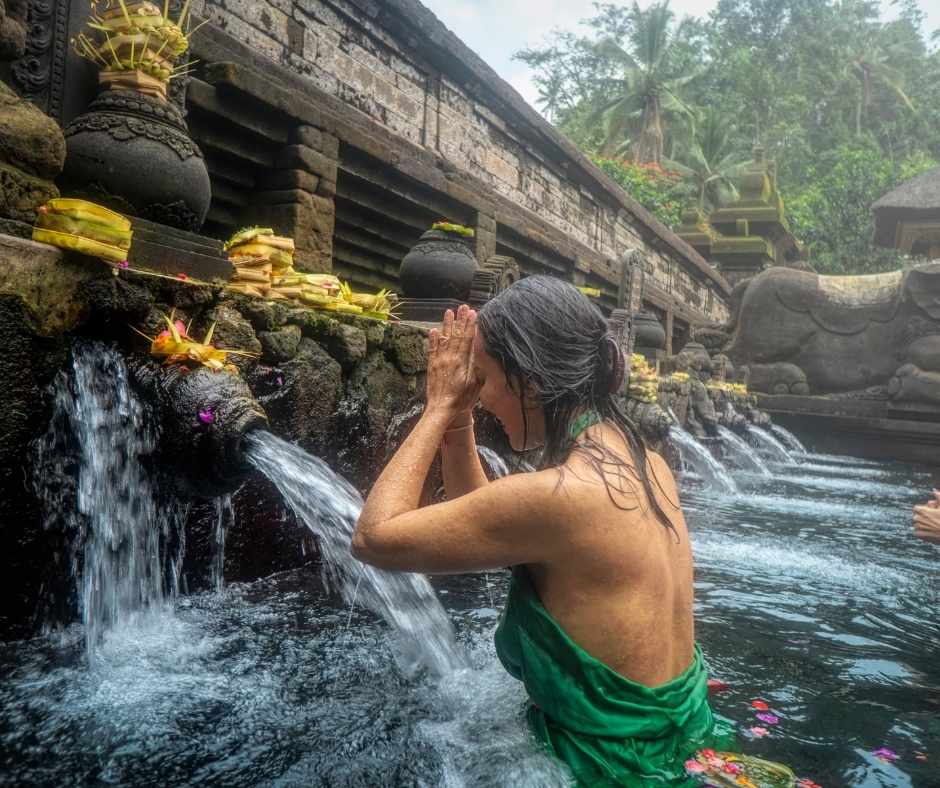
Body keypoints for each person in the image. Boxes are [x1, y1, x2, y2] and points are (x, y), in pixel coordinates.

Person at [352, 276, 720, 785]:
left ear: (530, 381)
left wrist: (436, 408)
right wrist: (459, 424)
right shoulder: (649, 464)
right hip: (687, 743)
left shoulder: (564, 495)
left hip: (609, 769)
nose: (479, 398)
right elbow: (484, 519)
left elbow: (373, 537)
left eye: (483, 379)